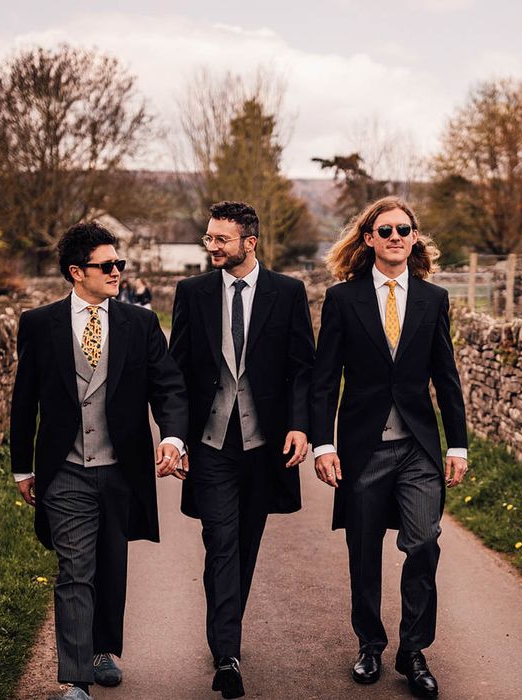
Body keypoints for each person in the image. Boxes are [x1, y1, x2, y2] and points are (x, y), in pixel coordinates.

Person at [10, 222, 188, 700]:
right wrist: (22, 466)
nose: (116, 272)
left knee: (111, 562)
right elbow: (24, 400)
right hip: (64, 469)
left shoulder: (140, 323)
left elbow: (167, 387)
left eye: (119, 264)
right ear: (76, 272)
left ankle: (103, 649)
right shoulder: (39, 324)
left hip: (120, 468)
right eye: (106, 265)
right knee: (75, 569)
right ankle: (76, 680)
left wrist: (172, 438)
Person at [310, 196, 467, 698]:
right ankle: (370, 645)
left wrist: (458, 445)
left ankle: (414, 650)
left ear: (414, 238)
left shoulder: (433, 299)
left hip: (418, 449)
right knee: (363, 551)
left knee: (424, 542)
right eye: (386, 230)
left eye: (404, 229)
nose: (396, 236)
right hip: (362, 449)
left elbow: (446, 376)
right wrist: (322, 445)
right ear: (369, 239)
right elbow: (324, 379)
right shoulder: (342, 299)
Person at [169, 201, 314, 699]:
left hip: (264, 444)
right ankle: (227, 653)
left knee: (245, 544)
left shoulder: (288, 292)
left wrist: (299, 426)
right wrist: (174, 434)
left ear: (249, 243)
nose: (211, 246)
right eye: (208, 238)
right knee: (221, 541)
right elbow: (177, 371)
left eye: (221, 240)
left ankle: (225, 629)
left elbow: (302, 368)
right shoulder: (191, 293)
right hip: (210, 444)